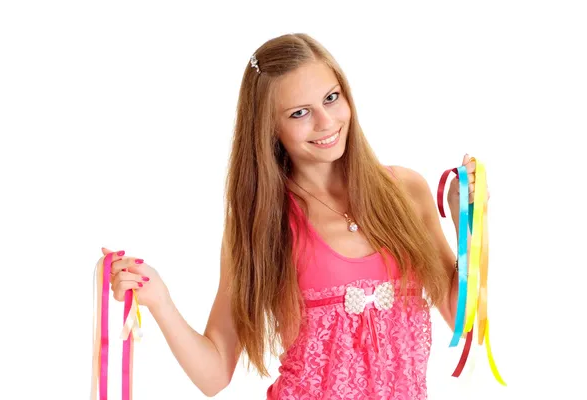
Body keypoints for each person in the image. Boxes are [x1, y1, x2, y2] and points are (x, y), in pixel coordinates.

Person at [103, 32, 478, 399]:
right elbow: (214, 374)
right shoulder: (262, 222)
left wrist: (468, 226)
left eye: (331, 98)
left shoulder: (407, 192)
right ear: (270, 127)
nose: (326, 122)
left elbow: (465, 322)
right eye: (300, 113)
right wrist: (159, 300)